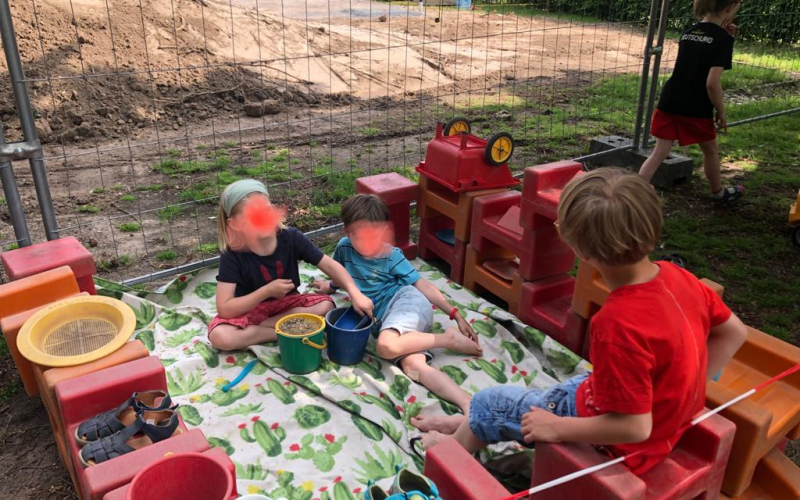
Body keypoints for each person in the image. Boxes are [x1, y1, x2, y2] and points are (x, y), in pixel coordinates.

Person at [413, 168, 748, 475]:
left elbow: (635, 427)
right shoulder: (680, 276)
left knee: (489, 402)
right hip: (641, 416)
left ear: (581, 252)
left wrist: (558, 428)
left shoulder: (616, 322)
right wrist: (686, 394)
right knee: (562, 390)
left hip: (622, 445)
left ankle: (453, 450)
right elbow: (734, 332)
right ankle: (473, 423)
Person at [313, 194, 482, 414]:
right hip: (389, 322)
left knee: (385, 346)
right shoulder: (344, 248)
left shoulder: (391, 256)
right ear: (347, 232)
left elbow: (423, 285)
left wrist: (456, 314)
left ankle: (448, 339)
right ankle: (467, 404)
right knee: (414, 366)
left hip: (406, 302)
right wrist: (330, 287)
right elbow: (341, 273)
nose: (368, 243)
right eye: (360, 237)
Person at [209, 179, 373, 351]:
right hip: (251, 310)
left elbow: (331, 266)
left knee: (327, 306)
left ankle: (267, 328)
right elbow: (225, 309)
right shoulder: (232, 254)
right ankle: (283, 331)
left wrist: (356, 294)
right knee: (221, 337)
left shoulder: (291, 237)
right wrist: (266, 291)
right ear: (234, 224)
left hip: (288, 305)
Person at [639, 0, 744, 204]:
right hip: (696, 107)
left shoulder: (688, 32)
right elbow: (712, 83)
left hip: (670, 100)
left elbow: (702, 47)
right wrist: (721, 112)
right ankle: (718, 193)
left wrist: (724, 35)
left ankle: (632, 195)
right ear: (730, 8)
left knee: (659, 152)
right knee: (710, 150)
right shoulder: (723, 39)